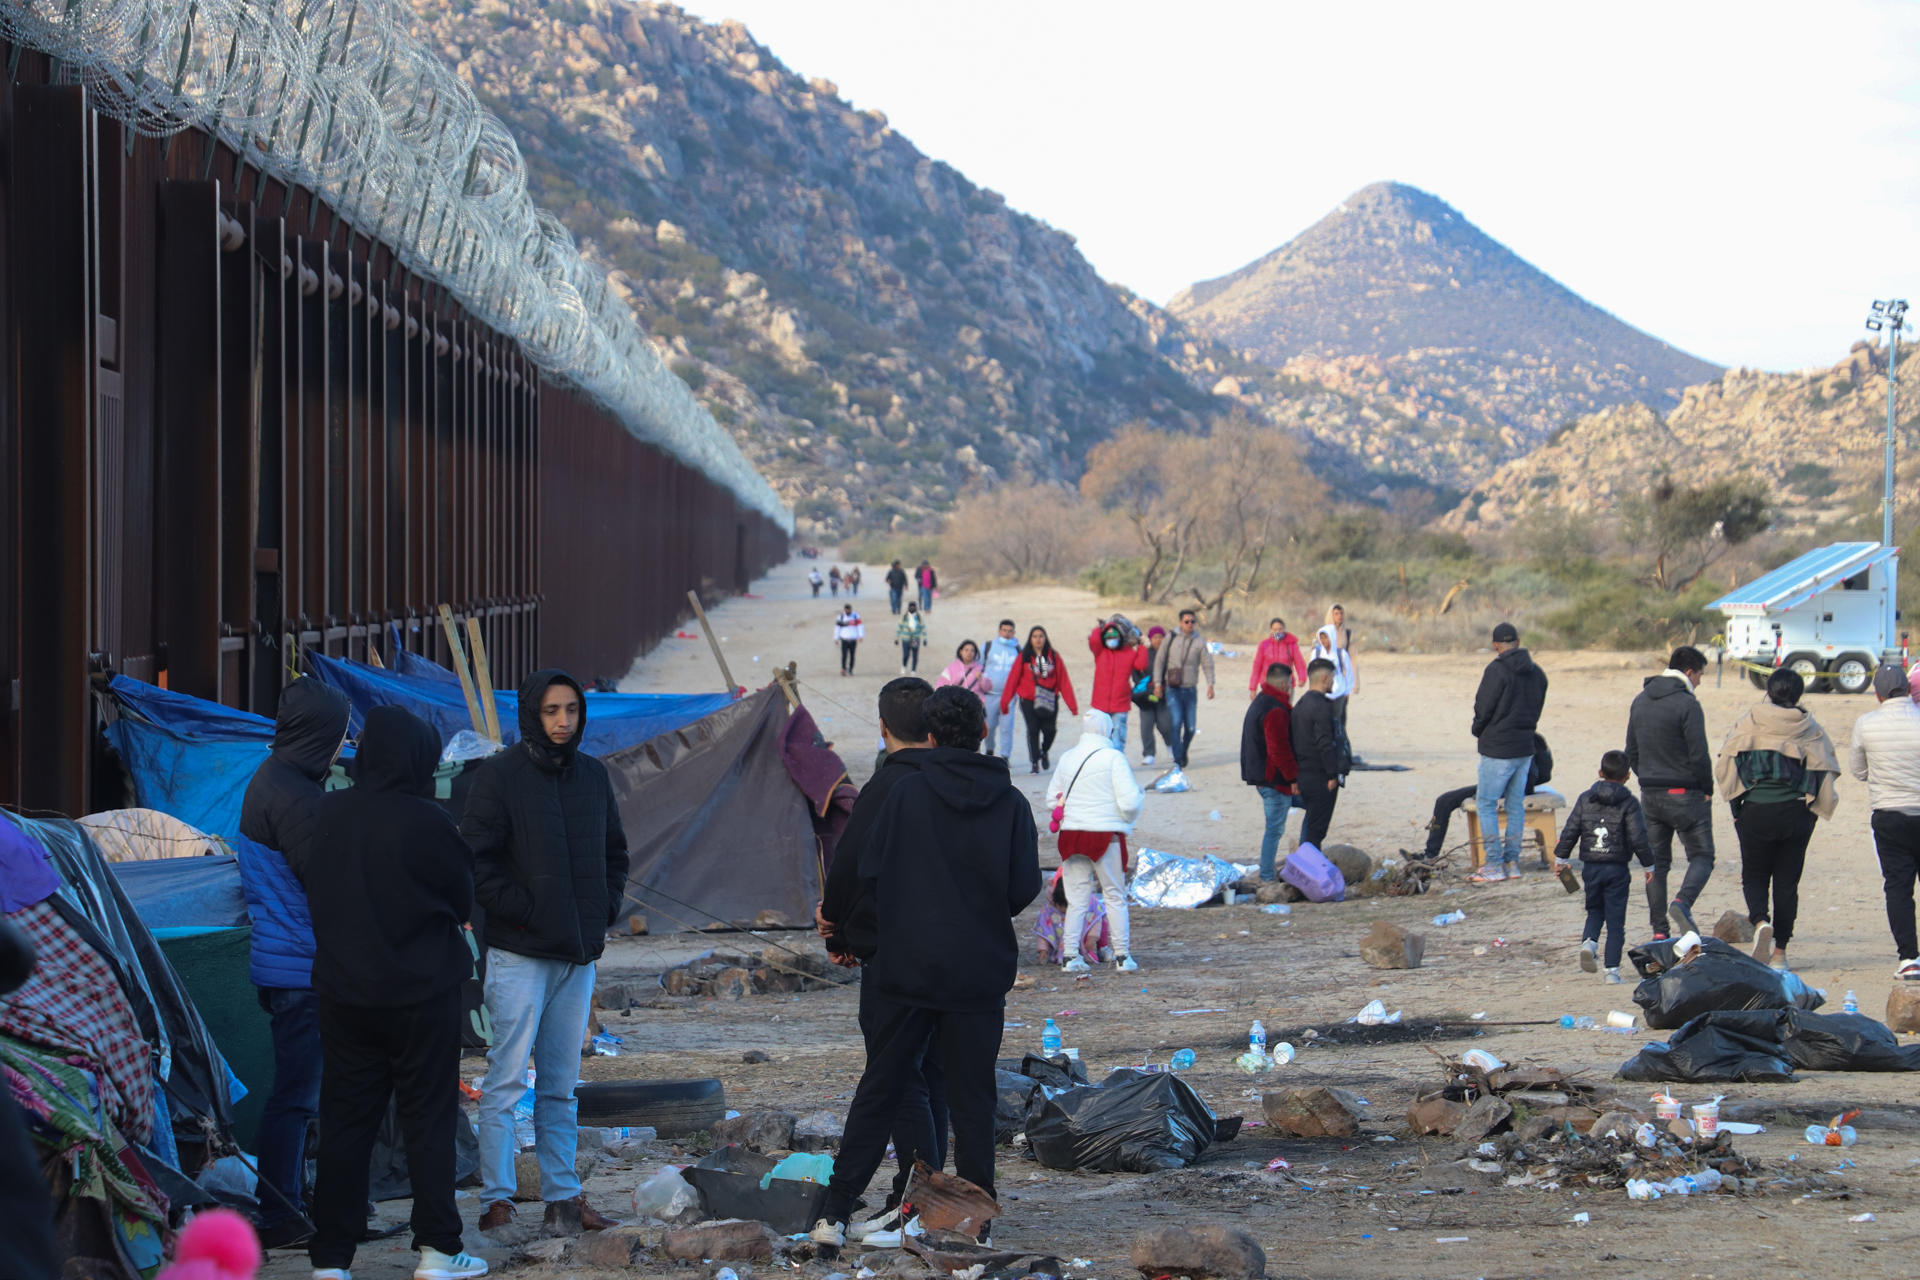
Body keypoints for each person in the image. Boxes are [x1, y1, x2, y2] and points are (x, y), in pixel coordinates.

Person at [810, 687, 1041, 1256]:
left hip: (907, 968)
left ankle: (833, 1216)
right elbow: (1023, 886)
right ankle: (975, 1220)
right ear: (982, 734)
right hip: (978, 972)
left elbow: (870, 870)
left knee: (883, 1089)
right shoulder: (1010, 801)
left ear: (931, 738)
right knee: (972, 1098)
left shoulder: (905, 792)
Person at [285, 706, 488, 1280]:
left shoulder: (326, 814)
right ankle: (439, 1252)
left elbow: (313, 890)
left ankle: (330, 1260)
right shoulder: (429, 822)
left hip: (344, 996)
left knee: (347, 1124)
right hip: (422, 998)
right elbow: (459, 898)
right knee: (428, 1121)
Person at [465, 670, 628, 1235]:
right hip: (521, 953)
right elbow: (478, 864)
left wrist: (601, 910)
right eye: (553, 711)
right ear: (533, 713)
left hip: (577, 955)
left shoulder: (592, 776)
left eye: (572, 711)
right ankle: (498, 1200)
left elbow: (614, 854)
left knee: (561, 1085)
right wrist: (527, 912)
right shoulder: (499, 778)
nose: (564, 721)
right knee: (507, 1080)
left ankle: (563, 1197)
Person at [816, 679, 947, 1242]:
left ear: (883, 728)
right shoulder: (960, 784)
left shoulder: (888, 786)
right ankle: (917, 1193)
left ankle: (890, 1200)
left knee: (896, 1076)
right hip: (958, 960)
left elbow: (850, 868)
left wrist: (837, 930)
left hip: (895, 957)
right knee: (931, 1075)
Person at [235, 678, 351, 1250]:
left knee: (300, 1094)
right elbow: (328, 884)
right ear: (319, 734)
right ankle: (281, 1212)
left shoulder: (276, 780)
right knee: (299, 1097)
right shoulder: (296, 798)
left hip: (285, 965)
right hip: (303, 969)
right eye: (338, 734)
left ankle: (293, 1206)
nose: (342, 745)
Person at [1714, 667, 1839, 972]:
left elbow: (1726, 765)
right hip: (1797, 813)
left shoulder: (1749, 721)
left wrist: (1737, 809)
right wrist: (1811, 811)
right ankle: (1780, 953)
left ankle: (1759, 922)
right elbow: (1824, 771)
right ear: (1799, 694)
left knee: (1754, 875)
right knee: (1787, 883)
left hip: (1754, 810)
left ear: (1769, 691)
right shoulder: (1810, 727)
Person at [1625, 646, 1715, 938]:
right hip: (1686, 792)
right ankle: (1682, 902)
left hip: (1651, 794)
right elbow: (1699, 753)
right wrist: (1706, 788)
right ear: (1689, 672)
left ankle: (1659, 931)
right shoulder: (1687, 704)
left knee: (1657, 864)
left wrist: (1649, 778)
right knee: (1702, 856)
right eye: (1700, 675)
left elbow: (1631, 753)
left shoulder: (1639, 701)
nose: (1700, 682)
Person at [1047, 709, 1145, 973]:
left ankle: (1069, 956)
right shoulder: (1114, 758)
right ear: (1107, 730)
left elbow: (1051, 798)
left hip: (1072, 835)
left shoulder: (1067, 758)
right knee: (1114, 895)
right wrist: (1127, 814)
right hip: (1105, 835)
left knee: (1077, 898)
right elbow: (1129, 802)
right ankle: (1122, 955)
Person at [1552, 750, 1654, 985]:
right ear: (1628, 776)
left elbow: (1571, 830)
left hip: (1591, 867)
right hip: (1617, 868)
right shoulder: (1629, 803)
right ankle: (1612, 971)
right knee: (1616, 921)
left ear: (1600, 773)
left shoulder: (1585, 798)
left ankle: (1589, 942)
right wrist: (1648, 864)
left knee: (1595, 910)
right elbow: (1638, 837)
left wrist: (1561, 859)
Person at [1847, 662, 1920, 980]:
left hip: (1889, 813)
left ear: (1876, 694)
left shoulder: (1866, 723)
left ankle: (1909, 958)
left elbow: (1859, 771)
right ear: (1908, 689)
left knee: (1898, 888)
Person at [1468, 622, 1549, 884]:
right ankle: (1512, 862)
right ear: (1518, 641)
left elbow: (1483, 706)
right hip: (1524, 746)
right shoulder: (1537, 673)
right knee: (1515, 805)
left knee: (1487, 804)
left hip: (1499, 747)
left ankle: (1493, 864)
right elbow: (1537, 708)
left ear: (1495, 645)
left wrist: (1478, 729)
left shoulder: (1496, 670)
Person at [1414, 734, 1552, 863]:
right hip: (1517, 784)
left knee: (1444, 801)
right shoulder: (1531, 732)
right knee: (1445, 800)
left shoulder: (1505, 733)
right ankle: (1430, 854)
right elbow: (1545, 774)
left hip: (1506, 786)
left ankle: (1431, 854)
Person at [1241, 663, 1298, 882]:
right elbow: (1278, 749)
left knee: (1275, 827)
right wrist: (1292, 777)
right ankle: (1266, 877)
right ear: (1285, 684)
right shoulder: (1275, 709)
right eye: (1291, 684)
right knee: (1274, 830)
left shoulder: (1262, 701)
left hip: (1263, 777)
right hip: (1274, 780)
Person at [999, 625, 1078, 773]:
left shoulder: (1054, 657)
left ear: (1045, 638)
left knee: (1050, 730)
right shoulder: (1024, 657)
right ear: (1030, 639)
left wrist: (1072, 706)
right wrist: (1005, 702)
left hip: (1049, 698)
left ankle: (1044, 751)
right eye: (1034, 636)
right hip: (1028, 700)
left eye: (1041, 636)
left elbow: (1064, 681)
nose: (1038, 639)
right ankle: (1034, 762)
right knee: (1033, 730)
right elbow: (1013, 680)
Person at [1290, 658, 1349, 847]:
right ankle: (1307, 868)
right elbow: (1325, 742)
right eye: (1332, 678)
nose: (1333, 682)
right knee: (1316, 830)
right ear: (1325, 678)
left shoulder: (1300, 704)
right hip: (1319, 776)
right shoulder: (1322, 706)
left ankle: (1304, 864)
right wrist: (1332, 774)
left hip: (1303, 772)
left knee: (1311, 825)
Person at [1153, 609, 1216, 769]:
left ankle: (1182, 751)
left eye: (1192, 621)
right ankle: (1177, 759)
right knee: (1175, 723)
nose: (1190, 624)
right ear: (1180, 622)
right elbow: (1159, 660)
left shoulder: (1199, 641)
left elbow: (1207, 663)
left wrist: (1210, 684)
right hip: (1173, 689)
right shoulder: (1171, 637)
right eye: (1186, 621)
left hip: (1190, 690)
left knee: (1191, 727)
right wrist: (1158, 683)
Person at [1087, 617, 1149, 750]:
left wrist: (1142, 646)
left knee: (1118, 739)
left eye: (1114, 635)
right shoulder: (1100, 652)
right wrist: (1099, 628)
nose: (1111, 638)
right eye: (1108, 636)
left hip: (1120, 704)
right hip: (1100, 704)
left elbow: (1141, 664)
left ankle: (1117, 763)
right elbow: (1093, 640)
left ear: (1120, 636)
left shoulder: (1128, 653)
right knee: (1100, 739)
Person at [1032, 869, 1112, 965]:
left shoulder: (1088, 902)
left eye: (1067, 907)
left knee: (1100, 918)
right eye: (1061, 907)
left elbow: (1095, 918)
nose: (1064, 911)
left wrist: (1092, 937)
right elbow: (1044, 929)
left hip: (1088, 937)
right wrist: (1043, 950)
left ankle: (1102, 948)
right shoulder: (1050, 908)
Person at [980, 619, 1022, 759]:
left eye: (1010, 631)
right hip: (990, 695)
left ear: (1014, 632)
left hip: (1009, 697)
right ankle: (989, 750)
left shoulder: (1018, 650)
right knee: (989, 726)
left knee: (1007, 728)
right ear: (999, 631)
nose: (1007, 633)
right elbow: (978, 666)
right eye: (1004, 630)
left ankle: (1005, 756)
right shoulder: (988, 647)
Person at [1134, 626, 1174, 766]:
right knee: (1146, 725)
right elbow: (1136, 671)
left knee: (1165, 725)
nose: (1158, 640)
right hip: (1146, 696)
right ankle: (1149, 754)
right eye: (1155, 637)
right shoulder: (1144, 653)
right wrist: (1143, 689)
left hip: (1163, 695)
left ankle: (1171, 747)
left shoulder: (1168, 654)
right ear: (1150, 639)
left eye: (1160, 637)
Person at [1248, 617, 1308, 698]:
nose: (1277, 632)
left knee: (1284, 709)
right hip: (1268, 686)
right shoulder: (1264, 645)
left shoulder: (1291, 645)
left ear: (1284, 629)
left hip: (1286, 686)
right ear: (1271, 630)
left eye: (1280, 629)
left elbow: (1299, 663)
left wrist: (1302, 678)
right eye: (1275, 629)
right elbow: (1257, 667)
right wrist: (1253, 688)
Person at [937, 640, 992, 725]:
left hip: (975, 709)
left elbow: (988, 688)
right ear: (961, 651)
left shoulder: (980, 669)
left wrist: (982, 679)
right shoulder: (951, 668)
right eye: (966, 650)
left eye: (972, 650)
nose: (969, 653)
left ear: (976, 653)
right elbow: (940, 687)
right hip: (955, 709)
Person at [1309, 624, 1357, 722]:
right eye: (1321, 638)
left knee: (1337, 721)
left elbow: (1349, 673)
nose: (1323, 640)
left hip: (1338, 692)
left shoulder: (1341, 653)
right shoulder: (1316, 653)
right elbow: (1311, 672)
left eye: (1326, 637)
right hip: (1321, 693)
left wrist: (1347, 691)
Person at [896, 600, 928, 675]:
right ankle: (904, 666)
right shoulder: (904, 616)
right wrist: (897, 638)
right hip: (906, 638)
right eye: (911, 607)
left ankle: (913, 670)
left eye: (913, 607)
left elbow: (923, 627)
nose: (912, 608)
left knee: (915, 655)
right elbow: (899, 627)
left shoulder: (919, 617)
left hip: (915, 639)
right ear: (909, 608)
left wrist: (925, 638)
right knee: (906, 654)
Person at [834, 604, 865, 677]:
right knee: (844, 655)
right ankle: (843, 668)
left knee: (852, 655)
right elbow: (837, 628)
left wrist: (861, 635)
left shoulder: (855, 616)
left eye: (848, 610)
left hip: (853, 639)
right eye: (846, 610)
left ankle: (850, 669)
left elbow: (860, 626)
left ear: (851, 609)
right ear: (844, 610)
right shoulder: (841, 617)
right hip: (844, 639)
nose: (847, 611)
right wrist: (836, 638)